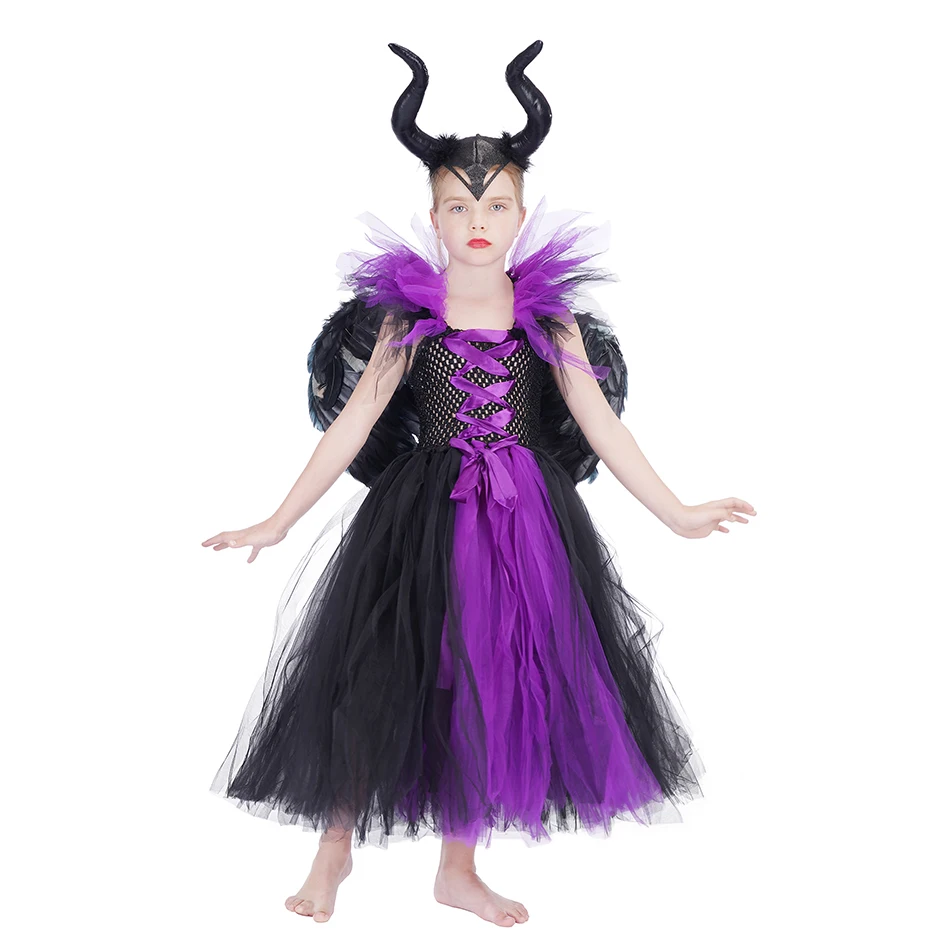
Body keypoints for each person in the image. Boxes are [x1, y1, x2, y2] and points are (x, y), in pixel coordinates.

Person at [203, 39, 755, 928]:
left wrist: (677, 512)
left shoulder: (552, 320)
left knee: (489, 679)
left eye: (496, 204)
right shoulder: (407, 319)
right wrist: (276, 520)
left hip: (524, 523)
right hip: (423, 519)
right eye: (458, 206)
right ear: (433, 216)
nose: (477, 221)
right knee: (379, 669)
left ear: (521, 212)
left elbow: (603, 426)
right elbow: (352, 425)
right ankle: (334, 846)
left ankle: (458, 868)